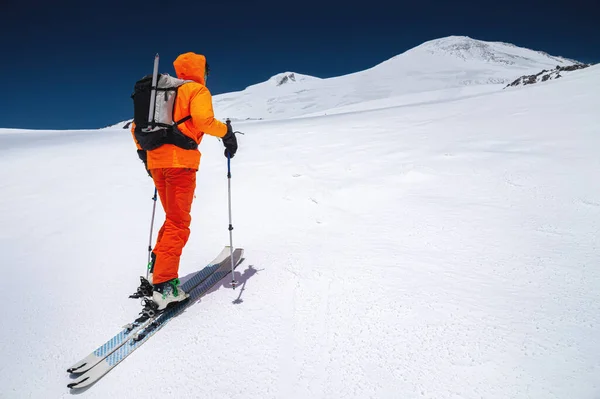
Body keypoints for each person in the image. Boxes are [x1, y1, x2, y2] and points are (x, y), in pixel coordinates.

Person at [131, 52, 238, 310]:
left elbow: (136, 128)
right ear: (202, 70)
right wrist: (227, 133)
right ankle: (165, 285)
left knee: (172, 219)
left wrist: (147, 158)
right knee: (179, 223)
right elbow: (204, 121)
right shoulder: (196, 91)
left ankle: (157, 272)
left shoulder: (162, 91)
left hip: (157, 162)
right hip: (180, 164)